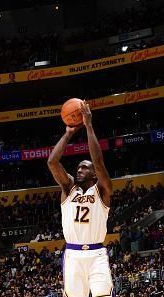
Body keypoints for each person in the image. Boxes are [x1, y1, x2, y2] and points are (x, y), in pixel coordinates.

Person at [47, 101, 114, 297]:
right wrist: (68, 134)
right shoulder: (69, 188)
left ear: (94, 174)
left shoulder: (102, 190)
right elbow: (52, 162)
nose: (79, 169)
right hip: (73, 255)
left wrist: (89, 125)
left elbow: (99, 162)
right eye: (78, 167)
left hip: (97, 255)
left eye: (85, 167)